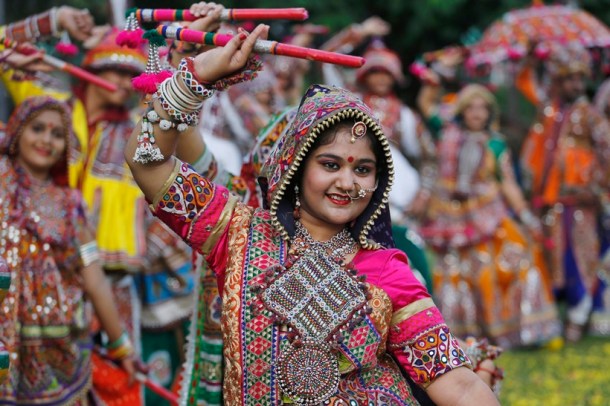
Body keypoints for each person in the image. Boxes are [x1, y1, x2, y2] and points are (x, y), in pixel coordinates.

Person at [124, 24, 498, 405]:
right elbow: (146, 161)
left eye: (363, 170)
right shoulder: (237, 234)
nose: (348, 182)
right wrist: (195, 76)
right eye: (330, 164)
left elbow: (459, 386)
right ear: (295, 167)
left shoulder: (388, 270)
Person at [0, 96, 135, 404]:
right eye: (37, 129)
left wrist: (121, 346)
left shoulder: (69, 203)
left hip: (58, 351)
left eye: (57, 134)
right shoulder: (1, 177)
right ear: (18, 130)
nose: (46, 140)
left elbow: (94, 279)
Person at [415, 82, 561, 349]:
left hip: (488, 215)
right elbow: (425, 102)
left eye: (483, 108)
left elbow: (507, 183)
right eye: (471, 107)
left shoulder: (495, 144)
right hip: (451, 219)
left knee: (514, 261)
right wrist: (436, 74)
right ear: (462, 110)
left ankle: (519, 333)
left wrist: (526, 217)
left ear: (490, 113)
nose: (477, 113)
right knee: (456, 274)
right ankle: (459, 337)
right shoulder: (446, 132)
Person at [518, 42, 610, 342]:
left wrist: (594, 185)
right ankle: (568, 313)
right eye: (569, 78)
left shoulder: (590, 114)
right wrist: (532, 58)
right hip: (551, 198)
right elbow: (527, 87)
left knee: (581, 254)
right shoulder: (549, 111)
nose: (576, 85)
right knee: (555, 254)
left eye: (580, 78)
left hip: (581, 197)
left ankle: (581, 316)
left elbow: (606, 151)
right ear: (557, 81)